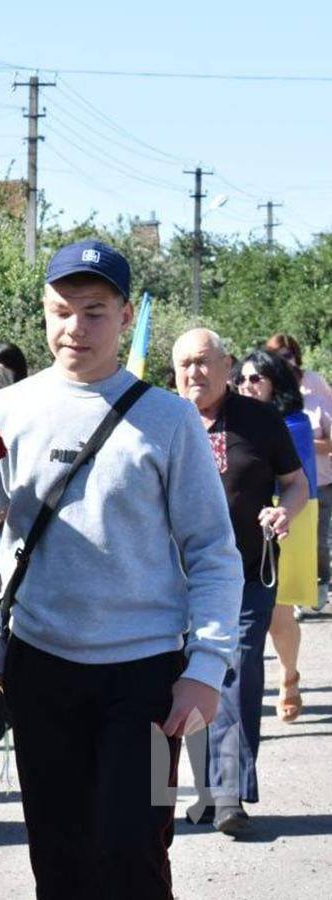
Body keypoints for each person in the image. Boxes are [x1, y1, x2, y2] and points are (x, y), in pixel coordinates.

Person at [0, 241, 243, 899]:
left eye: (94, 312)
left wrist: (206, 669)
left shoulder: (169, 421)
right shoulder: (5, 413)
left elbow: (214, 554)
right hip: (39, 672)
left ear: (125, 314)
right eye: (60, 311)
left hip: (154, 684)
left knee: (138, 858)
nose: (74, 329)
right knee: (58, 859)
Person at [173, 330, 306, 837]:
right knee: (178, 678)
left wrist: (283, 512)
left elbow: (295, 482)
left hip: (246, 574)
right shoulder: (163, 420)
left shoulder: (260, 419)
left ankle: (227, 792)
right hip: (172, 580)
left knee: (235, 670)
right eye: (185, 364)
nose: (195, 373)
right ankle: (195, 792)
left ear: (227, 365)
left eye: (205, 362)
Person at [232, 350, 319, 723]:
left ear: (274, 384)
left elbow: (296, 483)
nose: (247, 386)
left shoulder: (293, 424)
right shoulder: (230, 420)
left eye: (256, 379)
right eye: (242, 379)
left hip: (292, 515)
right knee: (252, 615)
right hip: (248, 518)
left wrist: (282, 510)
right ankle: (242, 697)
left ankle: (289, 674)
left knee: (278, 616)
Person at [265, 334, 332, 611]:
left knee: (318, 542)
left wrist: (298, 441)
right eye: (278, 355)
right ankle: (290, 599)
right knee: (285, 539)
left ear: (297, 356)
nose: (285, 360)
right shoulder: (264, 391)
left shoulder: (315, 386)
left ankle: (319, 586)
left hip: (321, 480)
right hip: (279, 486)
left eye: (288, 354)